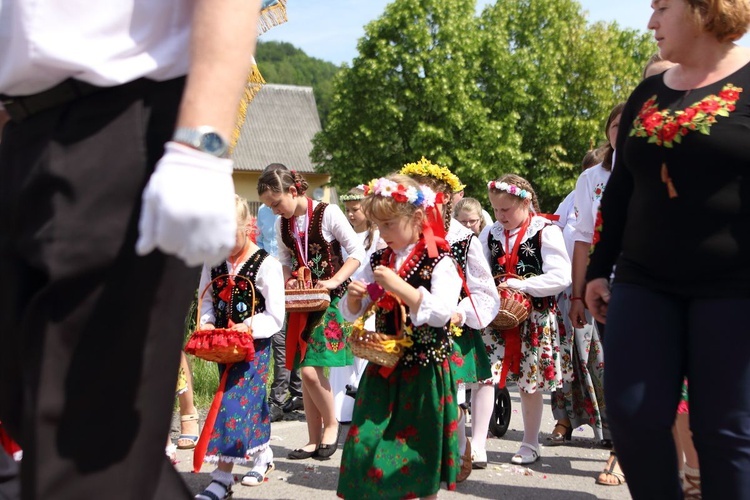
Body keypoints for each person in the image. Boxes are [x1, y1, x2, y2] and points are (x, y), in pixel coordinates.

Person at [0, 1, 261, 498]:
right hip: (22, 134)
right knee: (32, 413)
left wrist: (200, 145)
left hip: (123, 123)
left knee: (84, 444)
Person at [585, 1, 750, 498]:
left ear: (704, 9)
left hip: (733, 289)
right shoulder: (648, 93)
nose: (650, 21)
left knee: (724, 433)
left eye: (661, 7)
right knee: (632, 416)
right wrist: (597, 268)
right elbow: (621, 189)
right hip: (643, 281)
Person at [338, 174, 462, 499]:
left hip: (423, 371)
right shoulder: (379, 258)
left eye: (390, 224)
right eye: (378, 226)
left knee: (420, 451)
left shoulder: (440, 259)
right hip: (384, 368)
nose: (383, 234)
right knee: (364, 443)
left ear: (417, 218)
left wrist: (400, 288)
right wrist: (353, 298)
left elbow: (443, 312)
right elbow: (353, 309)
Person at [400, 158, 499, 481]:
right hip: (407, 329)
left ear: (444, 199)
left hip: (451, 329)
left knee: (445, 396)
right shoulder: (400, 233)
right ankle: (419, 456)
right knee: (416, 396)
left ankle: (456, 449)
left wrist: (462, 312)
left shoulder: (461, 239)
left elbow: (485, 292)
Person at [257, 164, 364, 461]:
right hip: (302, 304)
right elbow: (285, 260)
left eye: (276, 203)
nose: (275, 210)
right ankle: (312, 438)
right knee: (306, 374)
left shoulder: (328, 213)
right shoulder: (283, 224)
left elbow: (356, 252)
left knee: (309, 370)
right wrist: (289, 276)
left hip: (331, 302)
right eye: (268, 206)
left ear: (293, 191)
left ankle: (332, 426)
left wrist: (333, 281)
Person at [192, 195, 284, 500]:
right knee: (250, 404)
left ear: (248, 225)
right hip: (223, 346)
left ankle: (221, 479)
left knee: (231, 404)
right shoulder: (213, 260)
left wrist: (250, 326)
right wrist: (206, 322)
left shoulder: (266, 265)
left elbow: (276, 316)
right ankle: (263, 454)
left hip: (253, 349)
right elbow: (207, 300)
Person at [478, 174, 571, 466]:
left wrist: (522, 285)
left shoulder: (545, 231)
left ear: (526, 203)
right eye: (495, 209)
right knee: (484, 376)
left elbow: (561, 276)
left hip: (535, 317)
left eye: (506, 209)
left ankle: (530, 443)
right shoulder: (490, 234)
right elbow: (478, 272)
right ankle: (478, 444)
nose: (500, 215)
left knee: (530, 383)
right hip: (496, 318)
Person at [549, 146, 607, 450]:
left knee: (599, 360)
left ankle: (609, 427)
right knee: (567, 359)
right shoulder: (570, 201)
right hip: (570, 291)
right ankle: (565, 419)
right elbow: (556, 238)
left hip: (606, 287)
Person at [329, 186, 386, 425]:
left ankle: (363, 406)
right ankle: (340, 409)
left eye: (355, 209)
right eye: (347, 210)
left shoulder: (378, 238)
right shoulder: (343, 238)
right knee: (341, 356)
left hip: (369, 302)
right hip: (345, 300)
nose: (350, 214)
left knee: (364, 355)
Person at [257, 203, 303, 422]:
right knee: (279, 338)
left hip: (292, 279)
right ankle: (279, 397)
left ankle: (295, 392)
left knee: (293, 338)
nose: (273, 206)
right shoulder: (263, 212)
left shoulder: (293, 212)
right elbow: (261, 242)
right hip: (270, 279)